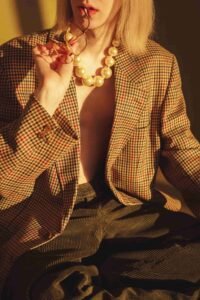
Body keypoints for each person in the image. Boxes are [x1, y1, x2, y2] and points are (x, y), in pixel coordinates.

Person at [0, 0, 200, 299]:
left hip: (130, 210)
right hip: (49, 219)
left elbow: (181, 149)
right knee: (53, 291)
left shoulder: (157, 63)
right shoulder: (14, 57)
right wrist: (46, 97)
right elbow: (4, 182)